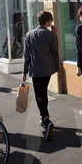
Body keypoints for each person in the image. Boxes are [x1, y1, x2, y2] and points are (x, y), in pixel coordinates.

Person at [22, 10, 59, 141]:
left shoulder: (29, 35)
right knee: (43, 94)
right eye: (51, 21)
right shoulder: (49, 35)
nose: (51, 23)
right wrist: (54, 35)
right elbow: (55, 50)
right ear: (48, 21)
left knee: (39, 95)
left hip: (35, 70)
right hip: (47, 70)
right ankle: (45, 118)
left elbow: (26, 56)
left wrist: (24, 72)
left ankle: (46, 119)